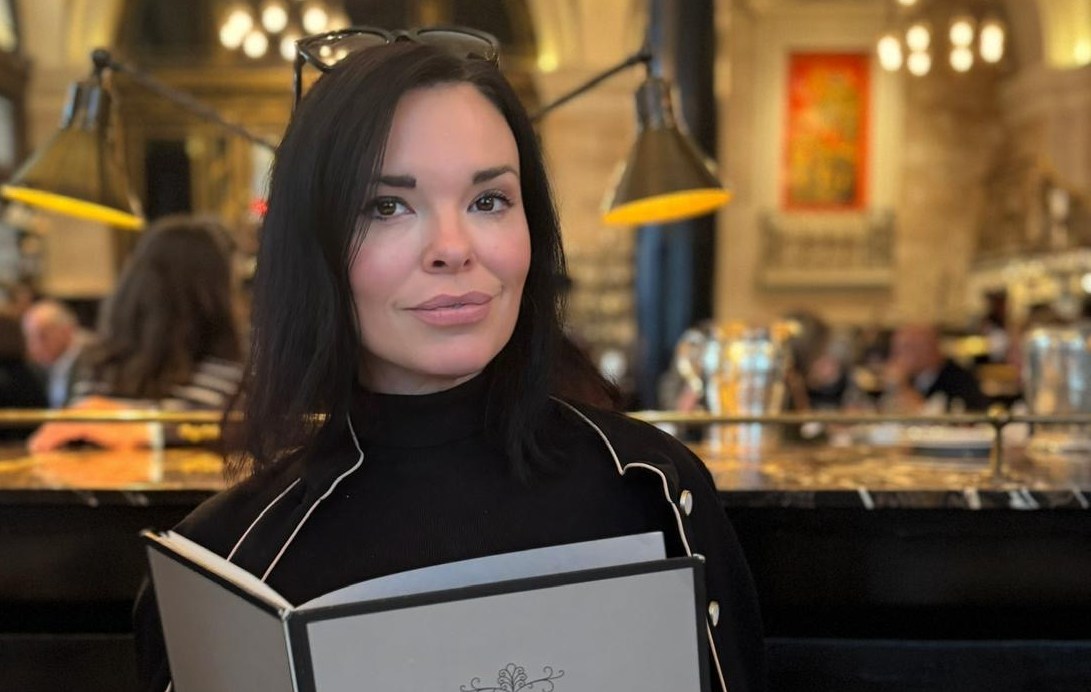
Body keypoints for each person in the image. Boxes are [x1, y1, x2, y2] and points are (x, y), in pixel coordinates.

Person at [132, 31, 765, 692]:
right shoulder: (230, 560)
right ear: (313, 245)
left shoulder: (652, 489)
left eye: (488, 200)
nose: (453, 248)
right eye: (387, 206)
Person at [27, 215, 244, 452]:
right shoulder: (234, 375)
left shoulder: (99, 371)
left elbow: (223, 432)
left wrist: (142, 429)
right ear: (215, 294)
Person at [884, 323, 989, 413]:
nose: (896, 356)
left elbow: (929, 418)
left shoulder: (958, 379)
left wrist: (902, 387)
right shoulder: (913, 377)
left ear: (928, 348)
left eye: (905, 348)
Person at [21, 299, 92, 408]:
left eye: (42, 336)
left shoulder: (93, 363)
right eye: (30, 338)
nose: (33, 346)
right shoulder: (41, 368)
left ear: (67, 331)